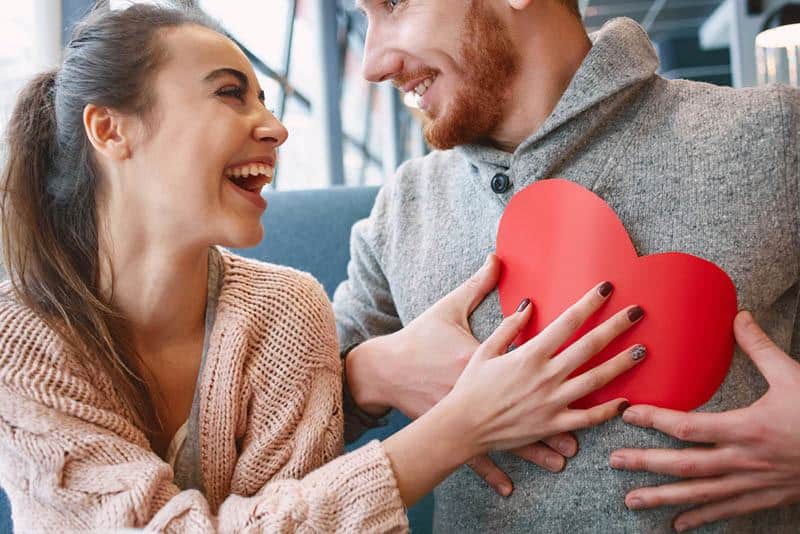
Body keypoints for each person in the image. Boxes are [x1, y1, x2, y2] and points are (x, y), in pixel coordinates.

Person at [0, 3, 649, 532]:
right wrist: (458, 425)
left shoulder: (286, 310)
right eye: (230, 94)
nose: (275, 127)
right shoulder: (17, 340)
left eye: (265, 98)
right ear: (110, 130)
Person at [335, 0, 800, 532]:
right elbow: (279, 435)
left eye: (393, 3)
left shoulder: (775, 138)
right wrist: (371, 372)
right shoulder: (401, 209)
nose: (372, 64)